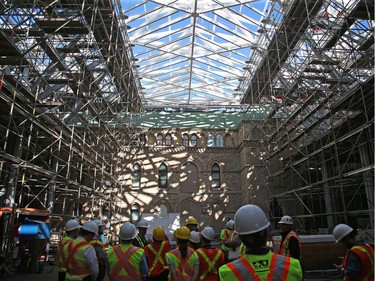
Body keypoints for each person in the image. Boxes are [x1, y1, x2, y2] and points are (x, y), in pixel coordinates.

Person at [219, 204, 303, 280]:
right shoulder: (294, 267)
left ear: (240, 238)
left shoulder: (226, 273)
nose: (281, 226)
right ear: (266, 233)